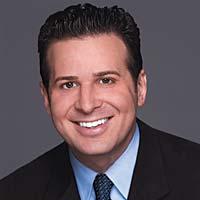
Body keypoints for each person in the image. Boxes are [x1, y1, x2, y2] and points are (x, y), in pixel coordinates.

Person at [0, 3, 200, 200]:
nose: (86, 105)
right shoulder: (13, 192)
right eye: (69, 84)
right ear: (46, 97)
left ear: (140, 87)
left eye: (106, 80)